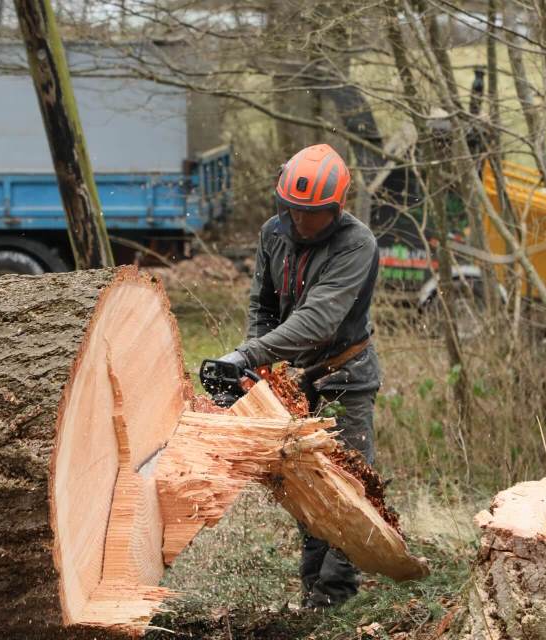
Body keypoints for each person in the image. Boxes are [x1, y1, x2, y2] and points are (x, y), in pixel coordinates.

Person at [215, 143, 381, 608]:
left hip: (345, 376)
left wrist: (250, 353)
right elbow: (263, 304)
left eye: (312, 214)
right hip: (300, 378)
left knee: (348, 484)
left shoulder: (356, 244)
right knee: (307, 485)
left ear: (336, 208)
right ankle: (313, 590)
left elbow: (317, 320)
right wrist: (258, 362)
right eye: (292, 211)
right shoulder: (274, 233)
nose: (301, 223)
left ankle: (337, 595)